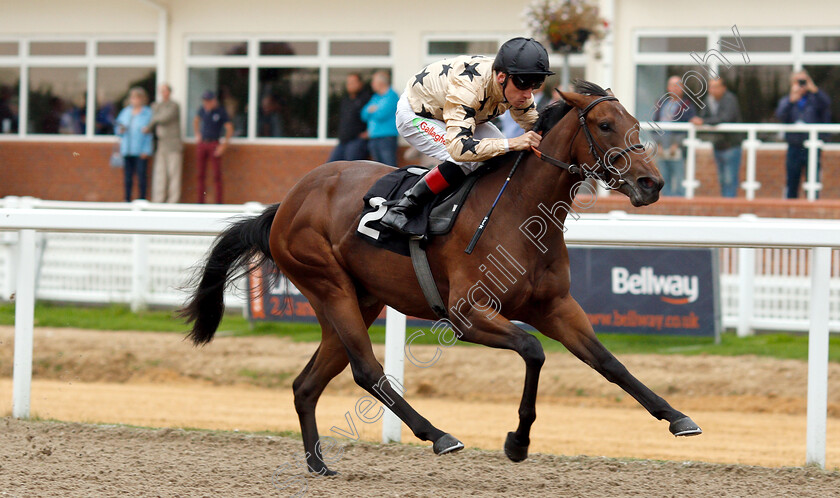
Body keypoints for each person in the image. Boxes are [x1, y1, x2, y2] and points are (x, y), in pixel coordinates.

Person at [380, 37, 552, 235]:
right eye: (524, 84)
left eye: (536, 83)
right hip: (416, 114)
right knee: (465, 160)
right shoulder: (469, 88)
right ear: (501, 77)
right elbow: (460, 149)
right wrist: (512, 142)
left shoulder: (516, 89)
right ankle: (402, 208)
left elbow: (535, 128)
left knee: (500, 156)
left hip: (459, 114)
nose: (528, 93)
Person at [775, 70, 832, 199]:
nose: (801, 84)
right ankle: (790, 208)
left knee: (813, 179)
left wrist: (815, 90)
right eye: (798, 81)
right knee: (792, 179)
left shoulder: (815, 98)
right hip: (794, 145)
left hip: (812, 146)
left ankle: (813, 207)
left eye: (803, 81)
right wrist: (791, 100)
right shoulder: (788, 99)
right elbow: (780, 115)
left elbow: (827, 105)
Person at [690, 78, 743, 198]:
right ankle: (725, 203)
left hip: (731, 145)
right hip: (718, 145)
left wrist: (704, 121)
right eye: (710, 87)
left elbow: (725, 118)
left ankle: (729, 205)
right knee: (722, 178)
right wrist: (700, 120)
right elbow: (702, 116)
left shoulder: (730, 99)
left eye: (715, 87)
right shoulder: (709, 100)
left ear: (723, 88)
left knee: (730, 179)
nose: (712, 90)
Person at [652, 76, 696, 197]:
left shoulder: (687, 106)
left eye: (677, 85)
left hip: (677, 150)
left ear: (682, 88)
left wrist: (677, 144)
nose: (674, 88)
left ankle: (680, 207)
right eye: (672, 85)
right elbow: (655, 125)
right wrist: (658, 144)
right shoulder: (661, 104)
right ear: (668, 87)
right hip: (662, 149)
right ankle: (666, 206)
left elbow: (687, 128)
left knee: (679, 179)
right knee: (663, 179)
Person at [193, 90, 234, 204]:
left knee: (216, 175)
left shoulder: (220, 112)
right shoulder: (202, 110)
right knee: (200, 174)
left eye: (209, 101)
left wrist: (223, 146)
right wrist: (197, 134)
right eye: (205, 101)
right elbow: (196, 121)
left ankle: (218, 202)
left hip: (214, 143)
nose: (207, 103)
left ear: (214, 100)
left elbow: (229, 128)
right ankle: (200, 201)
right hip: (203, 143)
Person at [145, 83, 183, 203]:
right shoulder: (158, 106)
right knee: (160, 174)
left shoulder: (173, 106)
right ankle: (158, 199)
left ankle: (173, 200)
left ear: (169, 92)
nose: (163, 93)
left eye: (165, 91)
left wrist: (153, 117)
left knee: (173, 174)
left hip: (173, 145)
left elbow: (163, 118)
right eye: (161, 91)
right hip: (161, 144)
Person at [115, 87, 153, 201]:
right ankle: (127, 200)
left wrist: (146, 150)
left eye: (137, 98)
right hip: (127, 149)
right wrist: (120, 130)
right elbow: (117, 127)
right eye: (132, 98)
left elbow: (149, 133)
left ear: (142, 99)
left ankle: (142, 199)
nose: (134, 100)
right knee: (128, 178)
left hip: (140, 150)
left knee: (141, 176)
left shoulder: (147, 113)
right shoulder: (126, 112)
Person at [328, 73, 370, 162]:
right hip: (343, 140)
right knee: (331, 165)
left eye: (353, 82)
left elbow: (374, 116)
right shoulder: (345, 100)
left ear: (360, 83)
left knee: (351, 166)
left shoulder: (366, 99)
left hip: (357, 140)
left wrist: (370, 132)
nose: (350, 85)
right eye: (348, 82)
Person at [361, 71, 400, 166]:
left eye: (373, 82)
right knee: (377, 167)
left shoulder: (392, 96)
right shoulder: (375, 97)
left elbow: (381, 115)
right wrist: (371, 110)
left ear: (381, 83)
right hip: (374, 137)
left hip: (387, 138)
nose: (372, 84)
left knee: (389, 166)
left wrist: (371, 110)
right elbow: (363, 114)